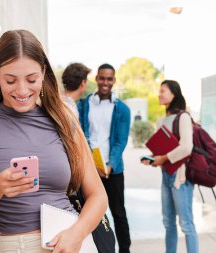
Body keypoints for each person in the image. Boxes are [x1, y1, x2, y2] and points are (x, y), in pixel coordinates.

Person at [0, 30, 108, 253]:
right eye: (10, 80)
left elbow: (98, 195)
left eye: (31, 79)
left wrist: (76, 234)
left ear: (43, 72)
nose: (22, 90)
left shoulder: (64, 119)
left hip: (74, 242)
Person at [78, 63, 131, 253]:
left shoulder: (122, 109)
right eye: (102, 78)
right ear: (96, 79)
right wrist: (91, 162)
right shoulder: (84, 104)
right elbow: (82, 134)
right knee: (89, 213)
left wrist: (110, 165)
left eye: (109, 79)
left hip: (113, 170)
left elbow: (121, 140)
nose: (105, 82)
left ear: (114, 80)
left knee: (118, 214)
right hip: (90, 169)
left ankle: (125, 251)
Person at [141, 80, 199, 253]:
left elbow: (186, 147)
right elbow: (163, 148)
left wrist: (163, 158)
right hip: (166, 176)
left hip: (180, 178)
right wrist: (152, 158)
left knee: (186, 223)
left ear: (174, 94)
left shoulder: (184, 117)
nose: (159, 94)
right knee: (168, 223)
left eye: (163, 91)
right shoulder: (161, 120)